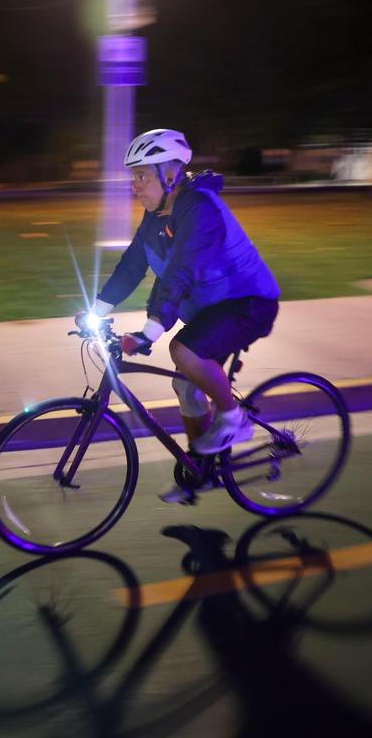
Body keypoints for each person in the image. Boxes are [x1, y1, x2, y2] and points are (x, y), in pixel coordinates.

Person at [76, 128, 281, 504]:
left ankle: (234, 417)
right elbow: (132, 265)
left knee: (183, 351)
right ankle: (200, 471)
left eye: (142, 175)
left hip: (248, 302)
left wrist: (150, 331)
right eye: (133, 176)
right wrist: (97, 310)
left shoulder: (201, 210)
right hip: (211, 308)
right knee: (186, 386)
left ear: (170, 174)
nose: (134, 185)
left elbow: (180, 272)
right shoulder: (155, 217)